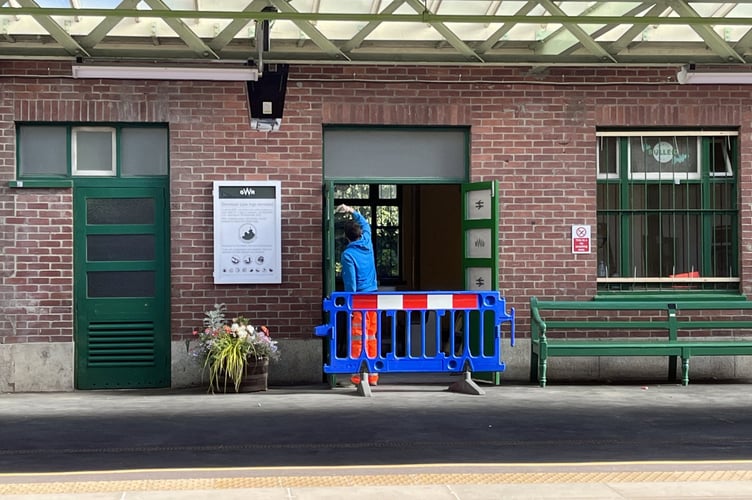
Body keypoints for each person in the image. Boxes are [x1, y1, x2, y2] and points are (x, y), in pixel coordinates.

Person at [336, 203, 379, 386]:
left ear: (346, 237)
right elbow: (366, 224)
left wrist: (350, 305)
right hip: (373, 298)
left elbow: (350, 283)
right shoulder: (367, 242)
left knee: (358, 337)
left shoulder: (348, 255)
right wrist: (351, 210)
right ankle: (373, 376)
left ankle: (358, 376)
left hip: (359, 300)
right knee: (371, 336)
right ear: (360, 233)